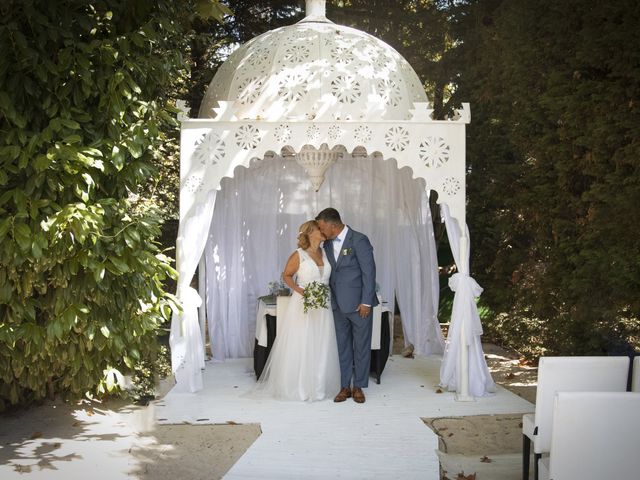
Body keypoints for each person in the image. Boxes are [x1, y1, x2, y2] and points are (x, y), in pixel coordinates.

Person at [252, 220, 340, 401]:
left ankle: (318, 386)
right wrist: (299, 290)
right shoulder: (298, 255)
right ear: (310, 233)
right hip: (303, 305)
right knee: (303, 342)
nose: (323, 231)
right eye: (319, 229)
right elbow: (286, 275)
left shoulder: (325, 252)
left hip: (324, 305)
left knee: (322, 343)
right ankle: (300, 387)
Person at [315, 208, 378, 404]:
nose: (321, 230)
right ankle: (344, 386)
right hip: (336, 305)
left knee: (361, 346)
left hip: (360, 305)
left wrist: (366, 302)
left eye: (322, 227)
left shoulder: (359, 240)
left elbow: (369, 273)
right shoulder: (325, 244)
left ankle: (358, 386)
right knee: (342, 346)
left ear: (332, 224)